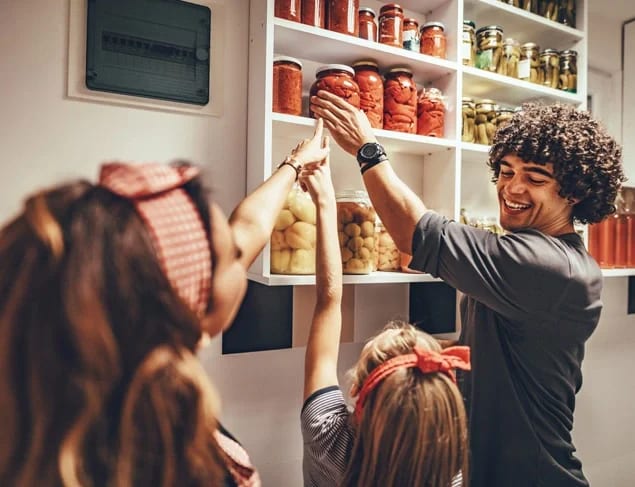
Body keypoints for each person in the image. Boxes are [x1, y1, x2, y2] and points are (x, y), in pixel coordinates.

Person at [309, 93, 626, 487]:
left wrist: (367, 149)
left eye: (535, 178)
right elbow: (496, 350)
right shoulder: (558, 260)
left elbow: (413, 234)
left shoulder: (544, 266)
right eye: (506, 171)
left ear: (575, 192)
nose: (512, 187)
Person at [0, 120, 329, 487]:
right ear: (188, 308)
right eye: (232, 256)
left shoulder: (41, 425)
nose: (242, 255)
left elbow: (248, 227)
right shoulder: (186, 467)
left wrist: (296, 164)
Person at [299, 144, 471, 487]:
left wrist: (325, 202)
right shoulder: (451, 469)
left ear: (357, 395)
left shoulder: (329, 436)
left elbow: (328, 302)